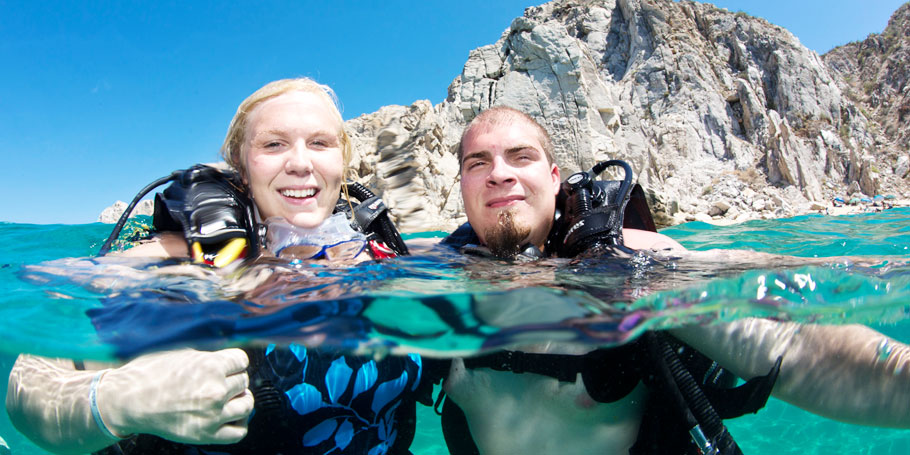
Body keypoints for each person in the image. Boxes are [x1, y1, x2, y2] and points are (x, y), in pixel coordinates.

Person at [437, 106, 910, 454]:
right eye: (478, 162)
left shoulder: (632, 263)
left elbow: (796, 344)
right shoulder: (436, 274)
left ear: (556, 177)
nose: (499, 174)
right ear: (460, 183)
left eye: (521, 157)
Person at [5, 78, 430, 455]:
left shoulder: (382, 254)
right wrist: (123, 402)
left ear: (342, 162)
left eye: (320, 143)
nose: (301, 163)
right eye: (273, 144)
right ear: (241, 169)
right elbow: (30, 384)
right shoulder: (176, 257)